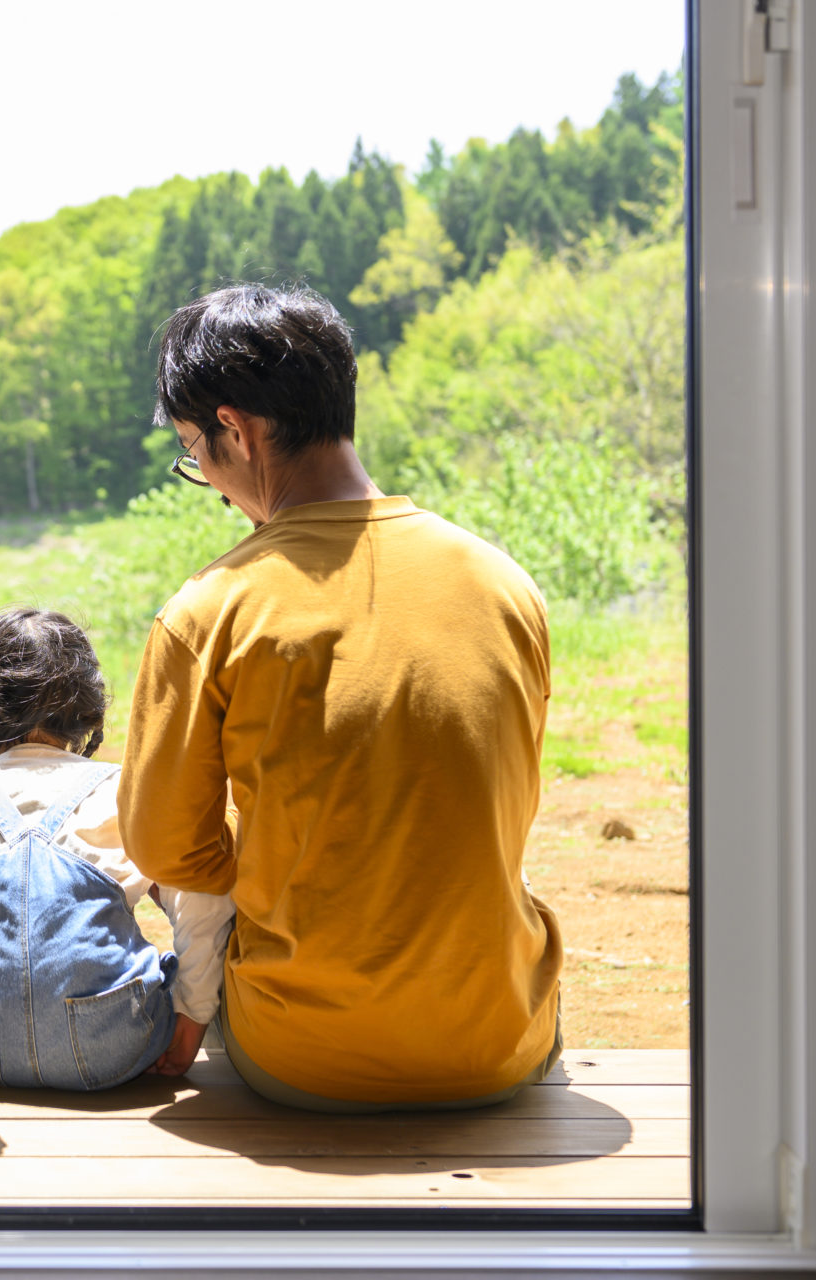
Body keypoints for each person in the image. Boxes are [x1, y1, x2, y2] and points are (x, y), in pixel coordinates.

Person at [119, 284, 562, 1112]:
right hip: (499, 1042)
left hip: (302, 1057)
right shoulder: (505, 586)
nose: (210, 482)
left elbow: (165, 848)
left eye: (195, 450)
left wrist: (282, 877)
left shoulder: (209, 611)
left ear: (238, 432)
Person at [0, 607, 235, 1088]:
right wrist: (190, 1018)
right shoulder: (121, 795)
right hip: (120, 1045)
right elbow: (201, 898)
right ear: (91, 714)